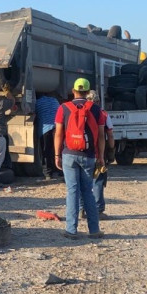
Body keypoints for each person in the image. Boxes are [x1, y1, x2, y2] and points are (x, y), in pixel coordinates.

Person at [54, 78, 105, 239]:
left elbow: (58, 134)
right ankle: (94, 229)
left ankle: (71, 230)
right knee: (87, 191)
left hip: (69, 154)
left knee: (72, 191)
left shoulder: (63, 108)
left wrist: (56, 155)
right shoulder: (97, 110)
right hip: (88, 155)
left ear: (73, 90)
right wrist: (101, 156)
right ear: (88, 91)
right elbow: (102, 136)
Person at [89, 90, 115, 218]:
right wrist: (111, 150)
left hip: (80, 152)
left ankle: (83, 209)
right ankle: (98, 210)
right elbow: (109, 135)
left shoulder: (76, 111)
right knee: (98, 180)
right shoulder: (103, 114)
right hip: (99, 152)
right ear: (98, 101)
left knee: (83, 182)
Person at [35, 92, 60, 180]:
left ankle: (48, 173)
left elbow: (34, 114)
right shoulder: (55, 101)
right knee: (56, 150)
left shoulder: (37, 103)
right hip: (56, 129)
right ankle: (57, 170)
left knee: (45, 152)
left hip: (45, 130)